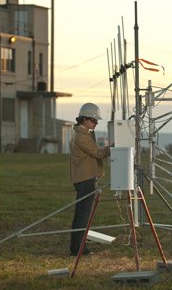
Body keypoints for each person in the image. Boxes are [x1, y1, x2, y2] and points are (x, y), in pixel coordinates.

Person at [69, 103, 111, 256]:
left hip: (82, 178)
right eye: (94, 120)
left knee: (79, 215)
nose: (96, 123)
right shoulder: (82, 137)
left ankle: (76, 248)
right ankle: (80, 249)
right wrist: (115, 146)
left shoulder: (79, 134)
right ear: (84, 119)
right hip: (86, 179)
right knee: (84, 216)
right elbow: (99, 153)